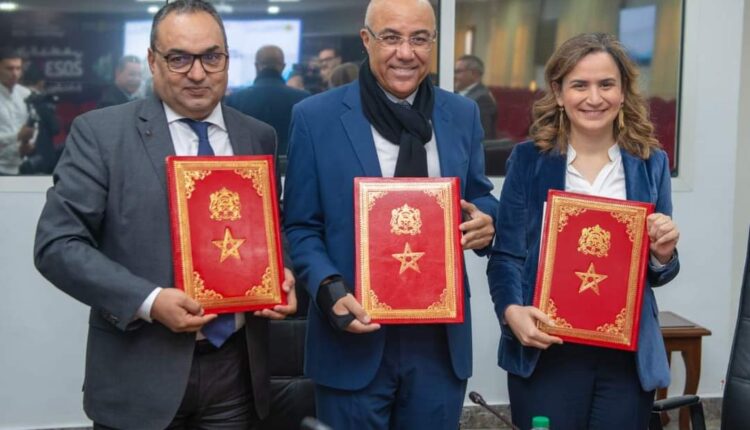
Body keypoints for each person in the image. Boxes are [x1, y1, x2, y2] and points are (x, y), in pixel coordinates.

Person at [33, 1, 296, 429]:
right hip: (140, 371)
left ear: (227, 59)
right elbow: (57, 245)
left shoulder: (257, 134)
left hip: (236, 373)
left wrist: (282, 272)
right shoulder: (101, 134)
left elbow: (269, 225)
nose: (198, 73)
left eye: (211, 57)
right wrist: (150, 301)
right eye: (179, 59)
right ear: (153, 62)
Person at [283, 1, 498, 428]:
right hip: (353, 334)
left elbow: (479, 195)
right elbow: (301, 225)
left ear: (433, 43)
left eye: (419, 39)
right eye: (392, 38)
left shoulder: (461, 114)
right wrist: (327, 286)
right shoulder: (315, 117)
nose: (406, 52)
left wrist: (487, 222)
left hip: (438, 343)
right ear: (366, 41)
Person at [487, 32, 680, 429]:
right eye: (580, 85)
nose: (594, 98)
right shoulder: (528, 160)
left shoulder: (651, 163)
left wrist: (663, 254)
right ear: (559, 93)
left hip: (625, 358)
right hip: (547, 350)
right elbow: (506, 255)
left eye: (606, 84)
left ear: (623, 92)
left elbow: (657, 270)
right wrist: (510, 312)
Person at [225, 45, 310, 163]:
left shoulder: (234, 99)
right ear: (283, 66)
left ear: (256, 66)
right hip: (291, 167)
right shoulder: (303, 99)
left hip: (248, 168)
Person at [19, 65, 61, 175]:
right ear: (41, 82)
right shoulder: (41, 101)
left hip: (20, 157)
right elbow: (55, 128)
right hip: (42, 155)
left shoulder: (18, 99)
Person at [0, 47, 34, 175]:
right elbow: (21, 134)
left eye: (18, 68)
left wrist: (28, 143)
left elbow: (32, 126)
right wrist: (17, 136)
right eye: (9, 68)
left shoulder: (26, 94)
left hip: (20, 166)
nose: (14, 73)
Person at [454, 54, 497, 139]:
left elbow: (481, 136)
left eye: (458, 72)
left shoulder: (482, 99)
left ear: (474, 74)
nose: (454, 76)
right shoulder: (455, 93)